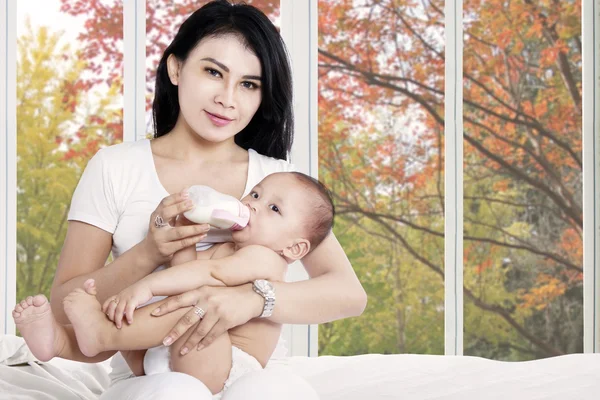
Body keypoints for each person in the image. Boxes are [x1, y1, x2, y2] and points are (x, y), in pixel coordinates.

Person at [38, 0, 366, 398]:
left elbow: (348, 295)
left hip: (253, 372)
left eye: (249, 84)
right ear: (176, 68)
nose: (228, 98)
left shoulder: (274, 182)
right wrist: (148, 253)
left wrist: (251, 301)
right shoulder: (115, 167)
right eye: (214, 72)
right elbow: (61, 306)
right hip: (151, 375)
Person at [13, 171, 335, 399]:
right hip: (170, 354)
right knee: (141, 310)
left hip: (223, 368)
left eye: (273, 208)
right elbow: (187, 274)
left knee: (193, 307)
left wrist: (148, 286)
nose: (252, 204)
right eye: (255, 194)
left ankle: (98, 334)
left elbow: (209, 277)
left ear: (294, 248)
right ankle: (58, 342)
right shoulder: (228, 248)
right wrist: (184, 232)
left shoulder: (266, 259)